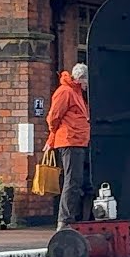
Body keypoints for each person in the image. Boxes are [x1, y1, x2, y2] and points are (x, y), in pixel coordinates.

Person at [46, 63, 90, 230]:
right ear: (80, 79)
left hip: (77, 140)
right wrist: (52, 136)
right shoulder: (65, 92)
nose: (87, 85)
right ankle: (65, 220)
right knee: (71, 181)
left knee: (76, 180)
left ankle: (70, 218)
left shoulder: (75, 92)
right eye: (86, 81)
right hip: (69, 140)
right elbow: (53, 117)